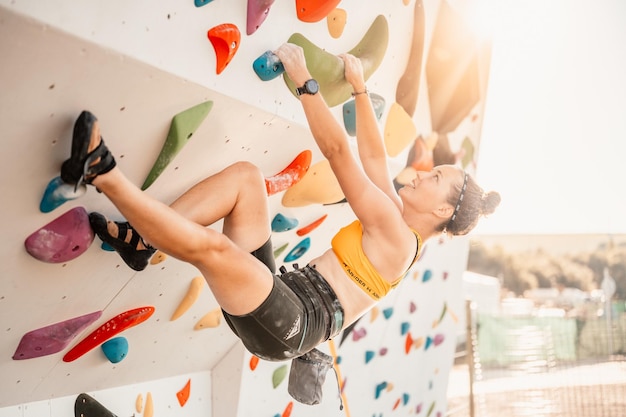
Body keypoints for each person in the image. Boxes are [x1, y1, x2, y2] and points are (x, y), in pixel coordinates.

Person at [58, 43, 500, 362]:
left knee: (215, 251)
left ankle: (101, 170)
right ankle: (141, 242)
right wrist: (360, 90)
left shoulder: (398, 236)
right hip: (281, 293)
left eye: (436, 178)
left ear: (442, 211)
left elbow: (341, 155)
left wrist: (305, 82)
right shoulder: (399, 223)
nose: (423, 173)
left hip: (291, 325)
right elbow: (372, 156)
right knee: (246, 180)